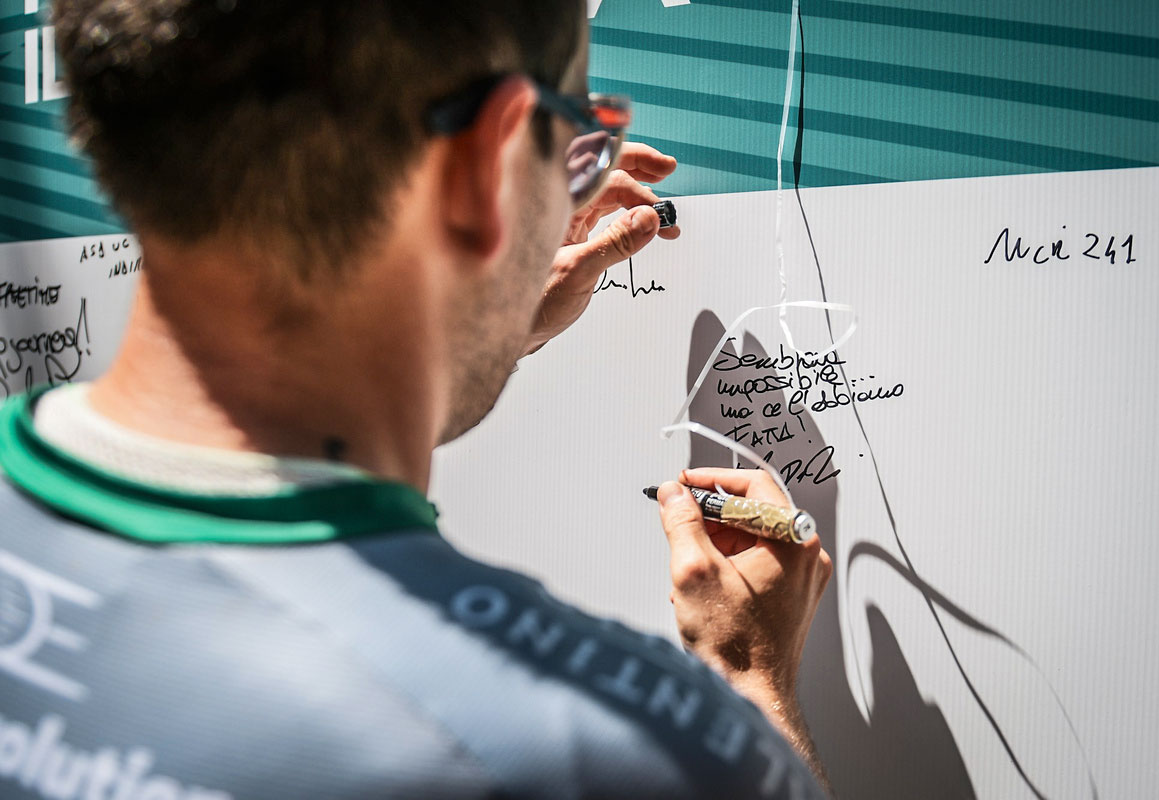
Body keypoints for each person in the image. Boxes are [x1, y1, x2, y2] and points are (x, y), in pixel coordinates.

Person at [0, 1, 833, 798]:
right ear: (485, 168)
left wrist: (469, 315)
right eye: (578, 145)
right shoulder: (628, 752)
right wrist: (751, 689)